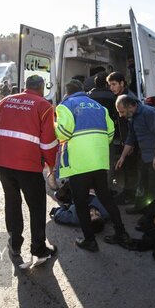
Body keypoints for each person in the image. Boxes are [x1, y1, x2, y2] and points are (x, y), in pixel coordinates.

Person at [55, 79, 130, 252]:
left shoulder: (65, 105)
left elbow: (64, 132)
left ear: (67, 92)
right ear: (83, 91)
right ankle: (121, 232)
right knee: (106, 198)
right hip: (99, 160)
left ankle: (90, 241)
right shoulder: (98, 107)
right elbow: (110, 132)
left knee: (80, 203)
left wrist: (55, 127)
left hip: (80, 163)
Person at [0, 75, 58, 259]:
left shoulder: (4, 102)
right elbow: (48, 143)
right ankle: (38, 248)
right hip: (28, 165)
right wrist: (51, 165)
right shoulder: (43, 106)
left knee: (12, 201)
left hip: (3, 163)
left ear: (25, 86)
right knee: (36, 206)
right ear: (42, 88)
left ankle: (14, 244)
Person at [115, 94, 155, 225]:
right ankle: (140, 207)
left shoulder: (148, 113)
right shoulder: (132, 116)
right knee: (142, 184)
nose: (121, 115)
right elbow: (130, 138)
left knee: (153, 187)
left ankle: (150, 216)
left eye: (122, 111)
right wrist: (122, 157)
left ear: (130, 106)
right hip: (146, 156)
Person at [107, 71, 139, 204]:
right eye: (110, 85)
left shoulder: (128, 99)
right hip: (125, 139)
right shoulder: (120, 96)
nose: (111, 88)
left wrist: (129, 144)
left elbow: (134, 124)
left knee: (131, 168)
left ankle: (131, 196)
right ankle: (128, 192)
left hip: (131, 140)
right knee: (127, 167)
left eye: (114, 84)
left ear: (122, 83)